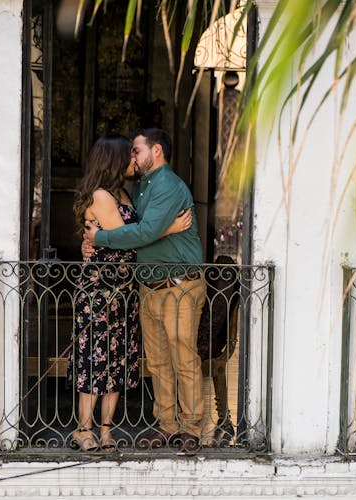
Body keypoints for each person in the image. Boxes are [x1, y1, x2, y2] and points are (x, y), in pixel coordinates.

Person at [84, 128, 206, 453]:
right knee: (159, 361)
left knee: (184, 359)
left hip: (179, 284)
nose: (132, 158)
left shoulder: (167, 185)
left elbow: (144, 232)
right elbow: (139, 231)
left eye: (136, 151)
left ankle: (191, 428)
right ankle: (166, 426)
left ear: (157, 151)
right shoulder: (139, 187)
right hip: (149, 286)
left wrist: (99, 240)